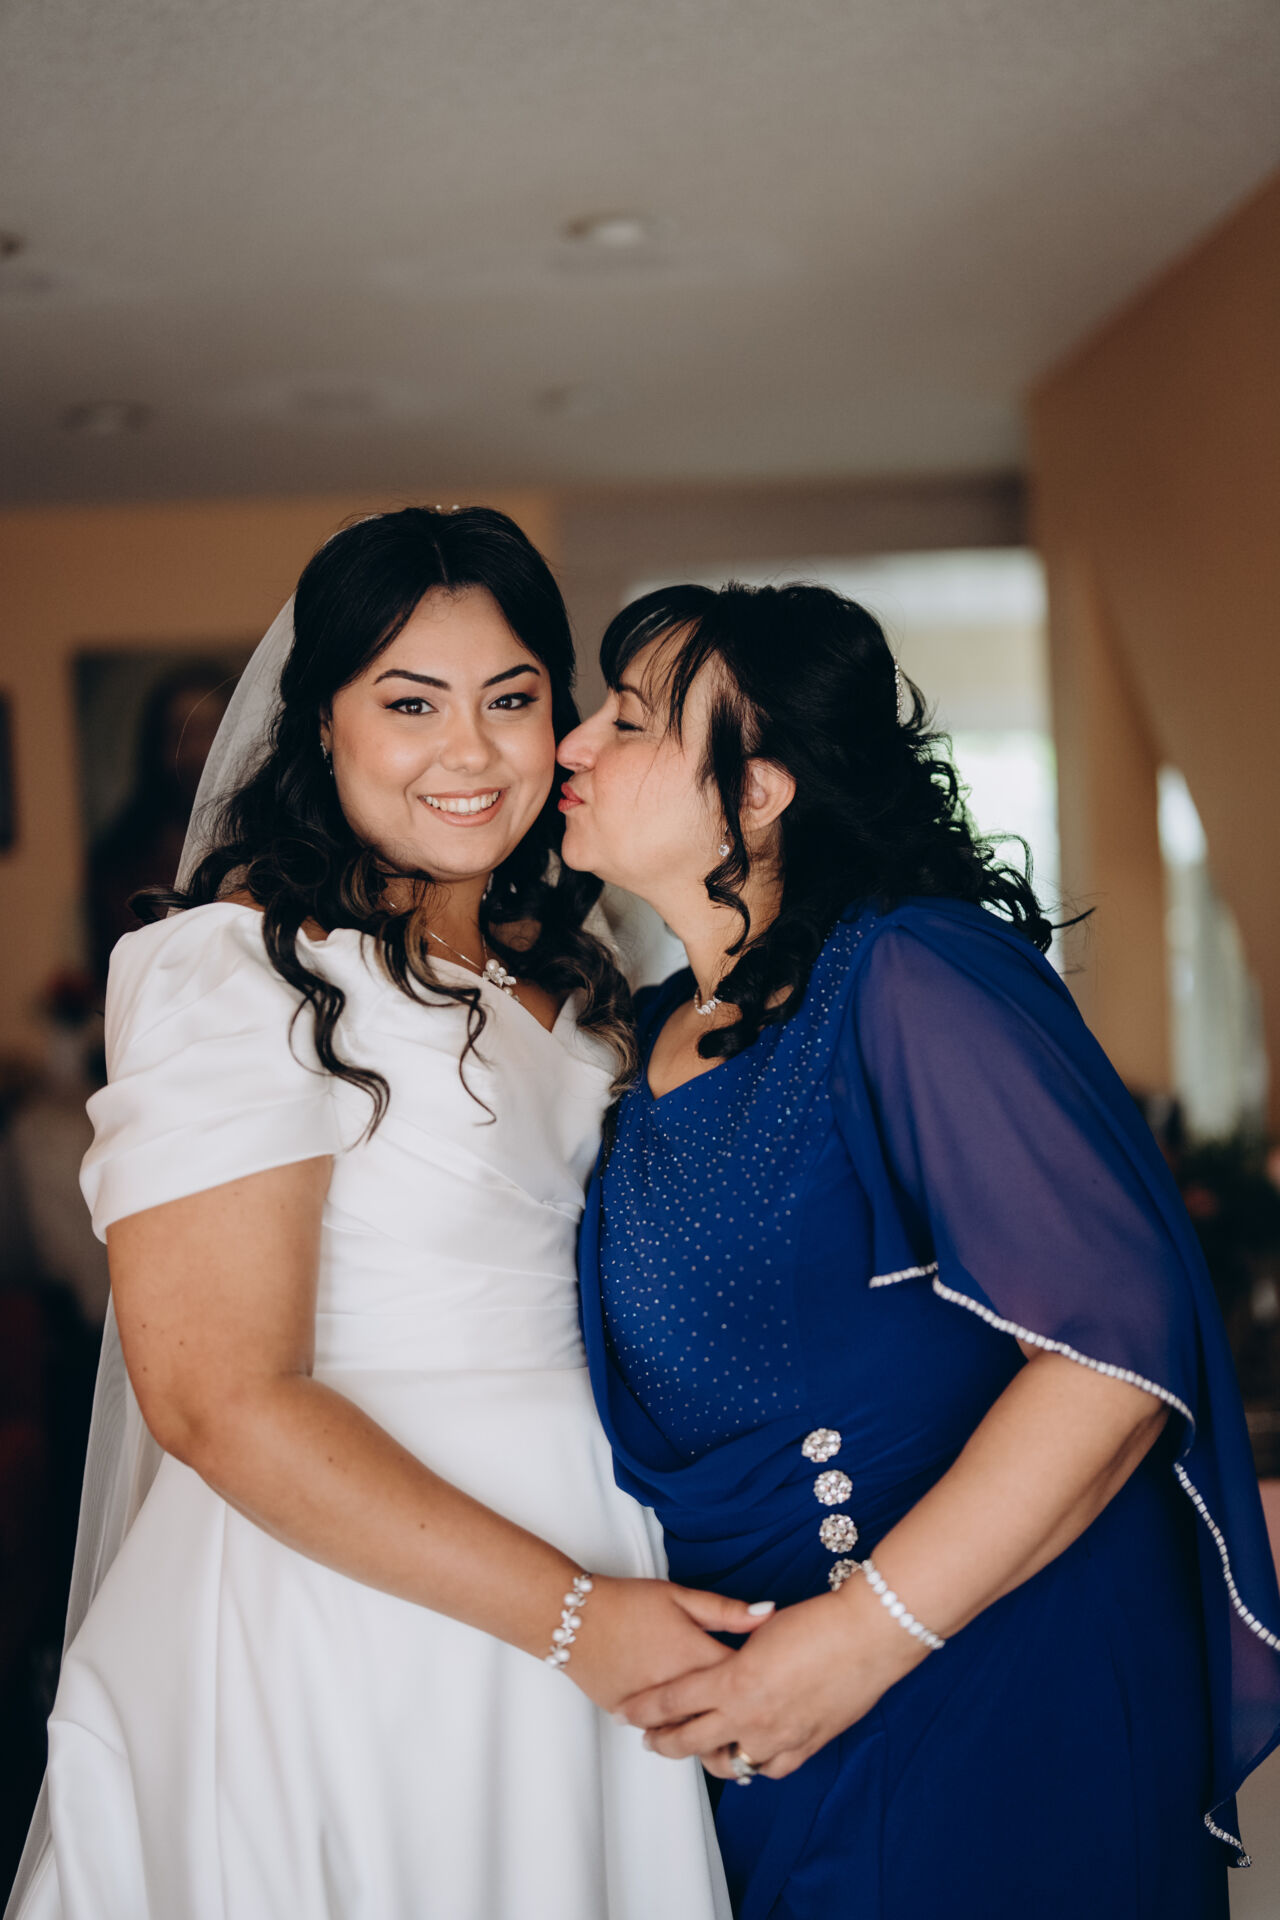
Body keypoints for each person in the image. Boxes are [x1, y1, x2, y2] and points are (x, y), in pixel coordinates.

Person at [6, 511, 757, 1920]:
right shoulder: (237, 970)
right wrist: (573, 1621)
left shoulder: (577, 978)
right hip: (352, 1609)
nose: (468, 753)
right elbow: (216, 1400)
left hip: (600, 1566)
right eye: (410, 704)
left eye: (510, 700)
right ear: (323, 724)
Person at [558, 580, 1280, 1920]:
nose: (573, 743)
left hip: (977, 1681)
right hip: (758, 1717)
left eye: (631, 721)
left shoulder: (911, 973)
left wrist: (855, 1640)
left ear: (756, 791)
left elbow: (1114, 1355)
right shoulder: (644, 1031)